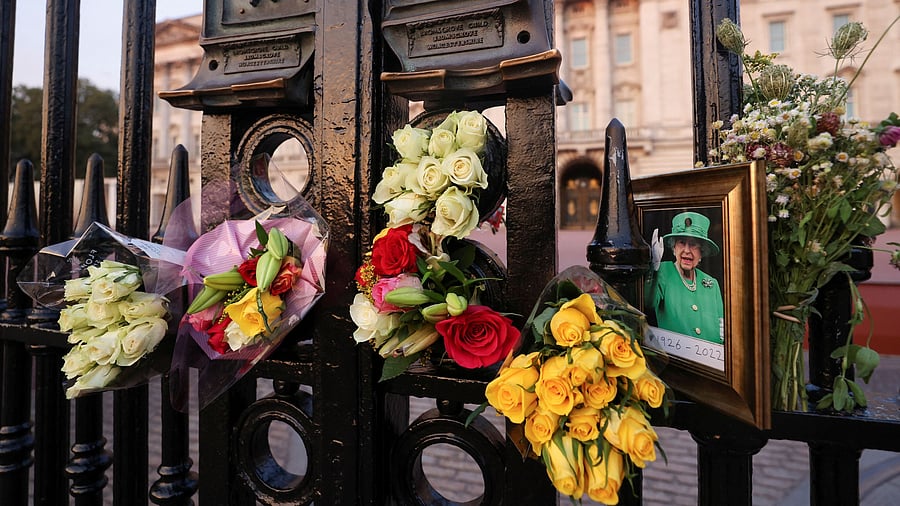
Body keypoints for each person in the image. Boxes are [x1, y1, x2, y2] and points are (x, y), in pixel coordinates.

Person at [645, 211, 724, 344]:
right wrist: (654, 269)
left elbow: (721, 325)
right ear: (674, 247)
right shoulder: (663, 271)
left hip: (708, 360)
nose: (687, 250)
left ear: (701, 252)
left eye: (693, 245)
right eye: (681, 242)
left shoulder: (712, 283)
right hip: (677, 359)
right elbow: (648, 303)